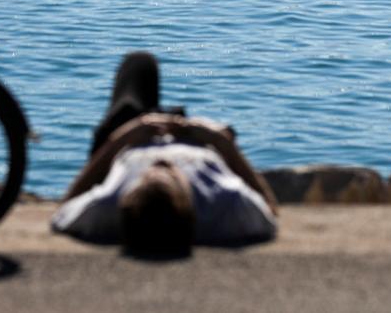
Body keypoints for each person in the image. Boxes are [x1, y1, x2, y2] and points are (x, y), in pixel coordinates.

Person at [51, 52, 279, 256]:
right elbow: (271, 211)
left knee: (139, 63)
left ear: (128, 198)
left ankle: (143, 117)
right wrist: (222, 142)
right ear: (186, 198)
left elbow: (63, 209)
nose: (161, 161)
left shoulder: (106, 206)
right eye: (168, 172)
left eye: (147, 176)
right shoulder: (227, 204)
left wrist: (119, 139)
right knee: (227, 130)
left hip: (130, 136)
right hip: (194, 137)